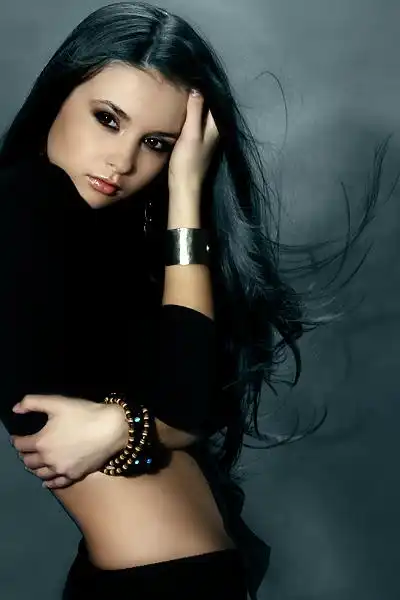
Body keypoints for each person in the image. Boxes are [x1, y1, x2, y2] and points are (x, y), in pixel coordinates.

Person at [0, 2, 389, 599]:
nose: (123, 162)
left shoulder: (104, 230)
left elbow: (191, 403)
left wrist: (184, 190)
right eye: (107, 119)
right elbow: (180, 409)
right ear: (59, 94)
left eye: (157, 143)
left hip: (181, 576)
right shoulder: (23, 202)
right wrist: (136, 423)